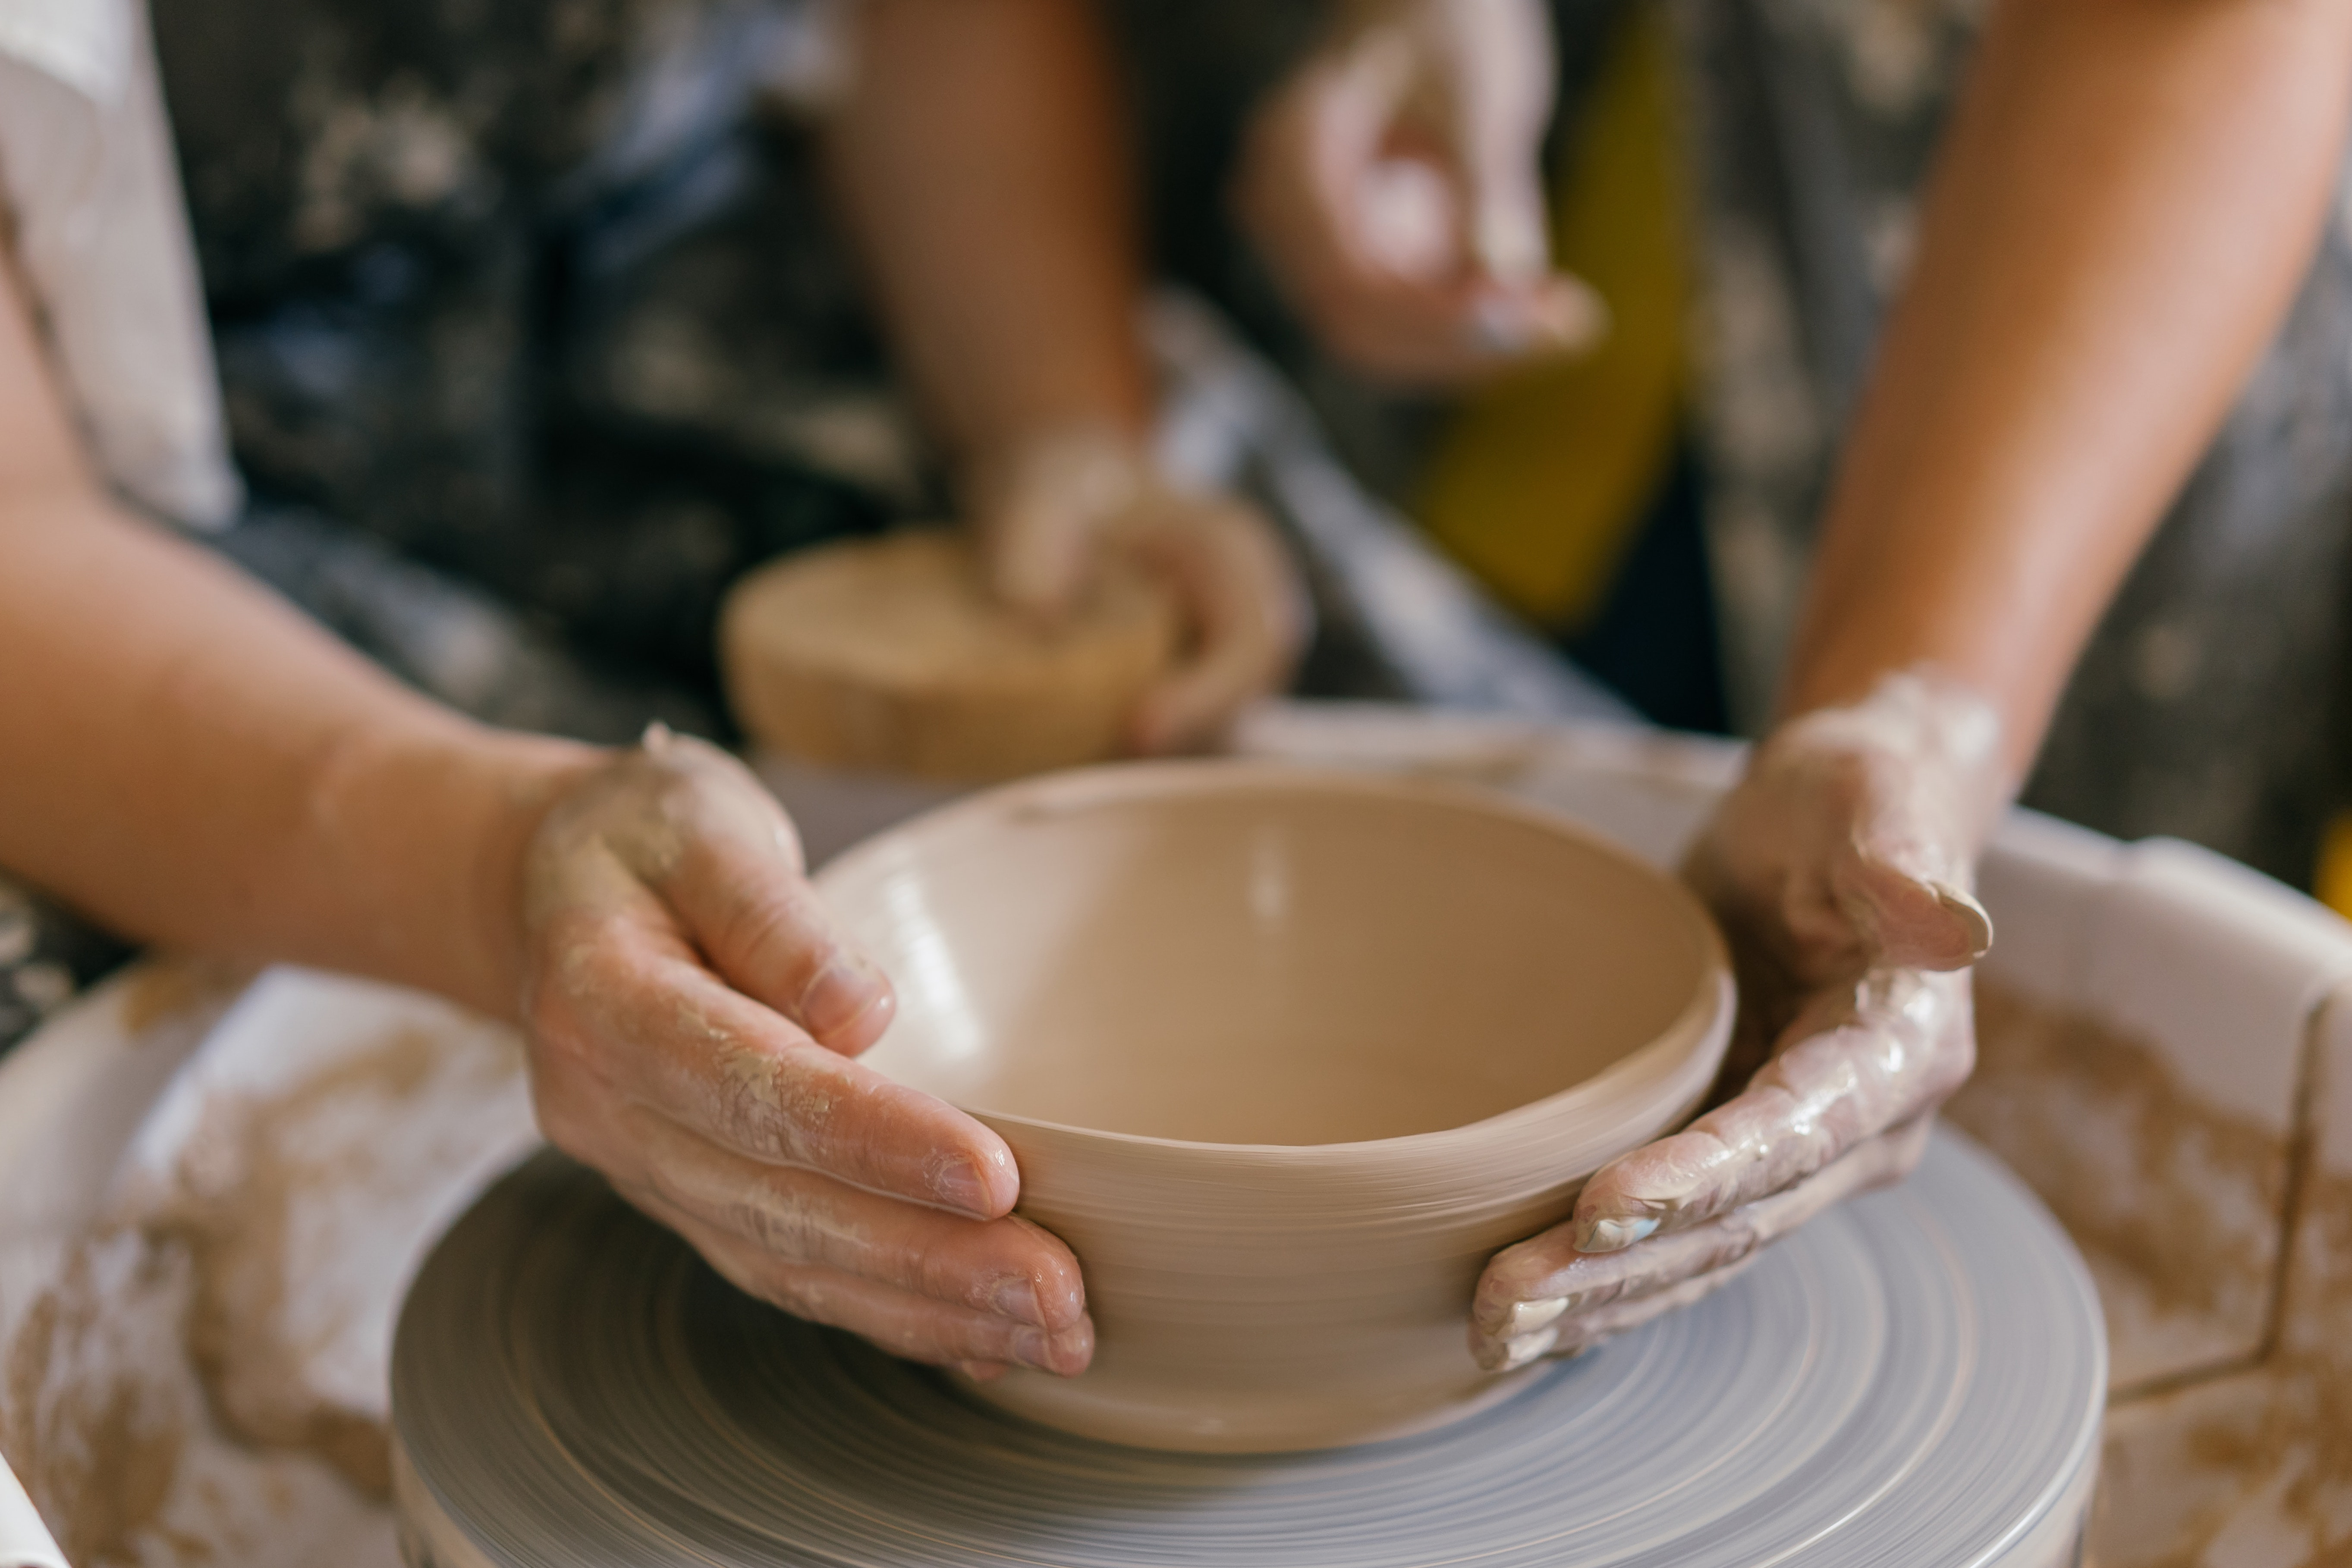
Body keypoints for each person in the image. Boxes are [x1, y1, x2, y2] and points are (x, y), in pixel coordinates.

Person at [0, 0, 2341, 1393]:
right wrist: (482, 865)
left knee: (1347, 711)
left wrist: (1051, 422)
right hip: (125, 506)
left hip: (701, 262)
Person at [1226, 0, 2352, 1367]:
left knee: (1990, 963)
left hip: (2118, 198)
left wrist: (1906, 705)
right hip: (1653, 181)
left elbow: (2178, 29)